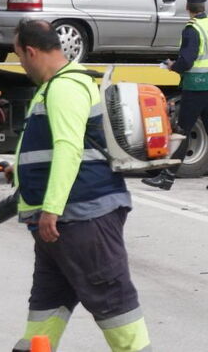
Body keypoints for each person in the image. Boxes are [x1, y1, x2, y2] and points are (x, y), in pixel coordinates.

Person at [9, 19, 151, 352]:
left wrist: (52, 208)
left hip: (81, 216)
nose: (21, 64)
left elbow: (69, 147)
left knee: (113, 300)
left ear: (31, 51)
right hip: (62, 222)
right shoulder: (54, 86)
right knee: (48, 302)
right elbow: (50, 145)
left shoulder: (65, 87)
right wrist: (20, 171)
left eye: (19, 56)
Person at [143, 0, 208, 191]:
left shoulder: (192, 29)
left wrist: (172, 66)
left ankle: (167, 178)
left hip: (195, 87)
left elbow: (187, 61)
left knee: (182, 131)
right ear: (204, 5)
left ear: (187, 6)